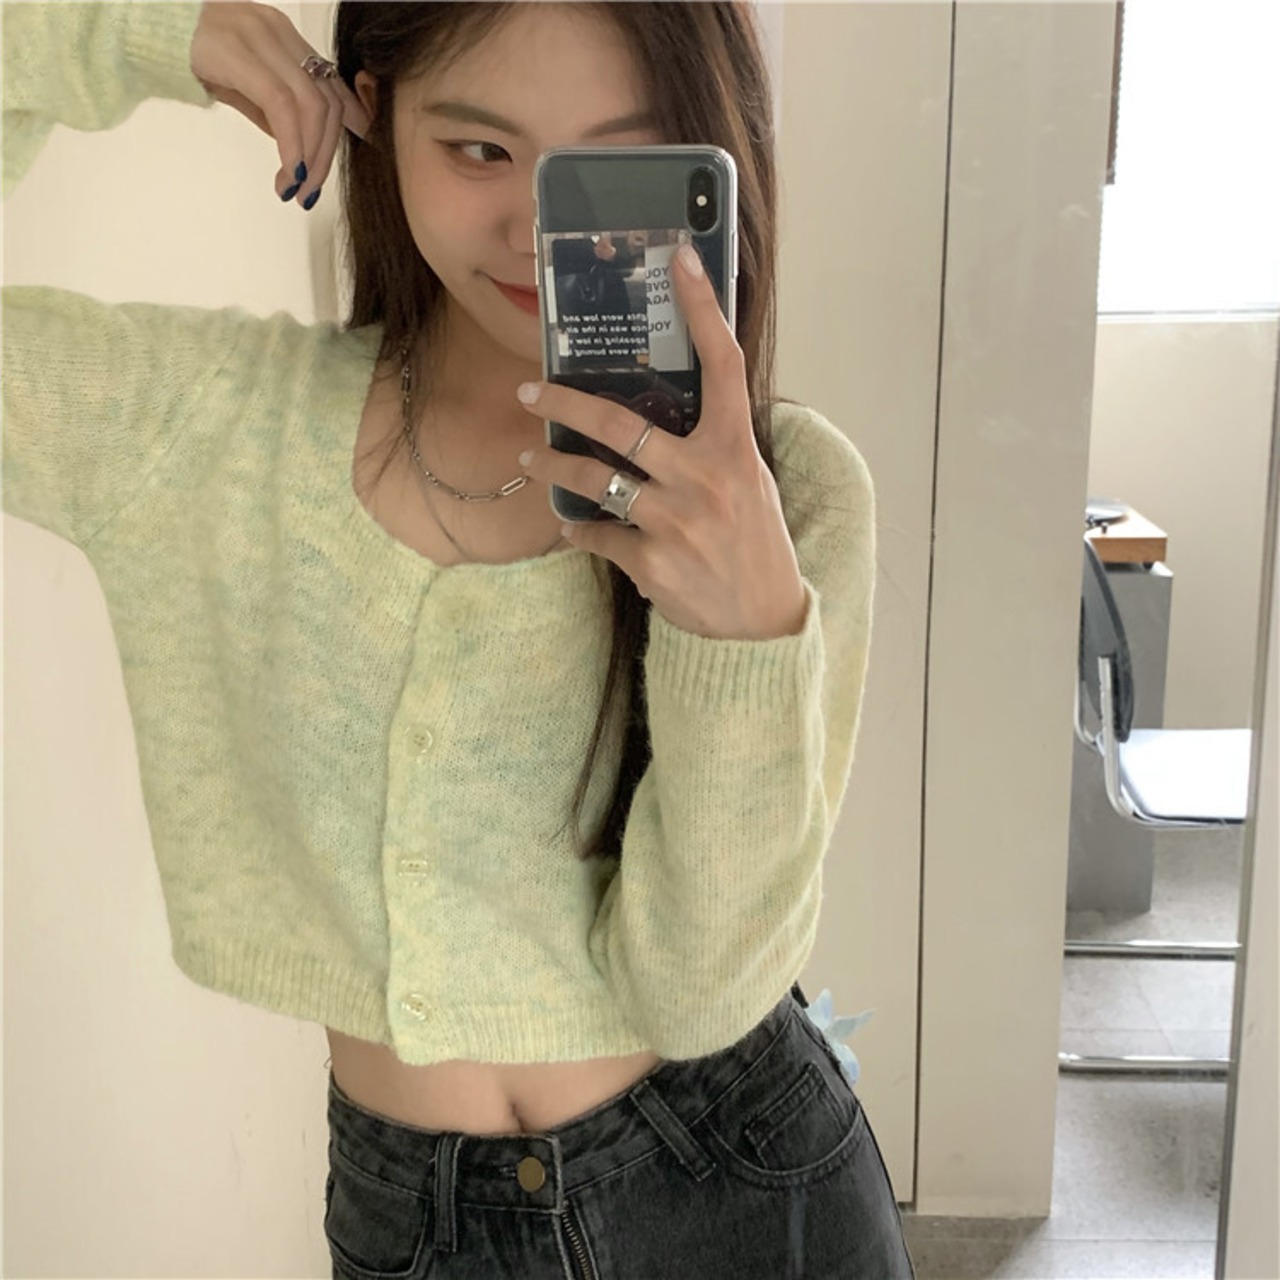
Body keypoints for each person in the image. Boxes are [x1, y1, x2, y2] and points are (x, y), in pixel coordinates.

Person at [2, 1, 914, 1275]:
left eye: (612, 165)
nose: (538, 232)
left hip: (744, 1179)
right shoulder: (204, 426)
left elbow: (699, 992)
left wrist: (737, 632)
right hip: (411, 1217)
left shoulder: (790, 496)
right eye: (479, 150)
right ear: (372, 116)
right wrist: (127, 32)